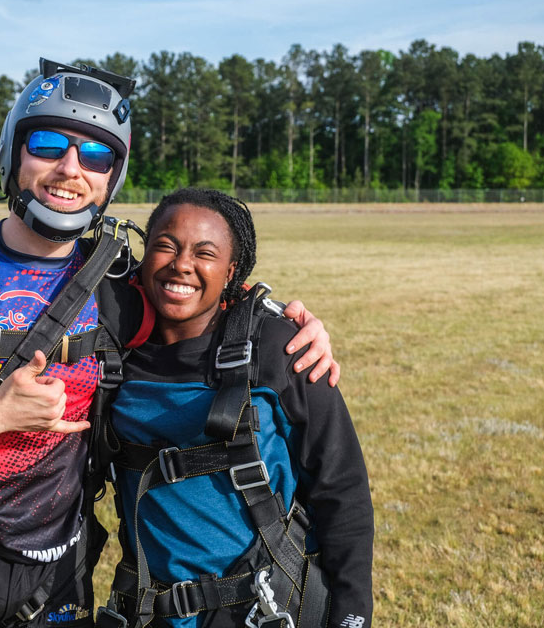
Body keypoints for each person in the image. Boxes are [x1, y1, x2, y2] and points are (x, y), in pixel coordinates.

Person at [0, 60, 338, 628]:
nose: (70, 169)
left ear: (111, 178)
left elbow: (207, 295)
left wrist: (291, 321)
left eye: (96, 156)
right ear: (13, 153)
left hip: (56, 579)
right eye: (48, 144)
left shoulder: (121, 284)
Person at [101, 188, 373, 628]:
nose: (181, 264)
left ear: (232, 271)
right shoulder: (111, 343)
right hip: (146, 611)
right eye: (165, 246)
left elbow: (341, 488)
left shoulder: (281, 349)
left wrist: (352, 615)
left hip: (261, 610)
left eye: (204, 253)